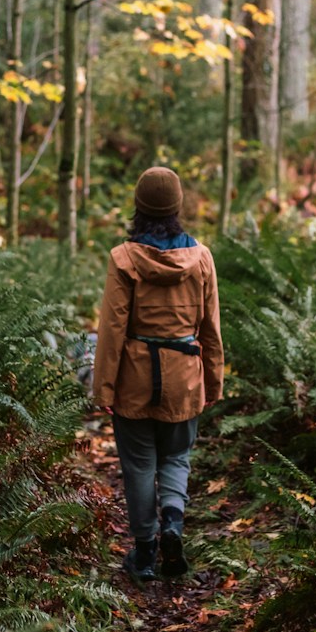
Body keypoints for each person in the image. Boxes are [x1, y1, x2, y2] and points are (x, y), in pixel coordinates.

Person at [93, 167, 223, 584]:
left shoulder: (123, 258)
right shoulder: (201, 258)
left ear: (138, 206)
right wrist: (214, 380)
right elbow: (210, 328)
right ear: (177, 206)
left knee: (137, 464)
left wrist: (104, 387)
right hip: (184, 376)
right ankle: (172, 522)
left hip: (133, 376)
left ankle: (145, 553)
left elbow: (113, 330)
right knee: (176, 457)